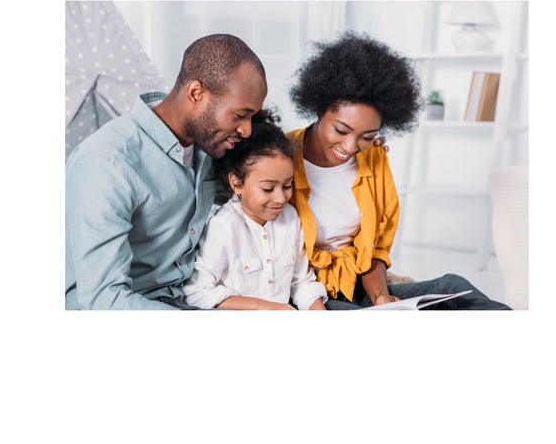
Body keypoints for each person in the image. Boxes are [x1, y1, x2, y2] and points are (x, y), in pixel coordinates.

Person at [286, 31, 511, 310]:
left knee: (455, 286)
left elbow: (374, 246)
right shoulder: (278, 156)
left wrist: (381, 296)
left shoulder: (374, 157)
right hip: (306, 293)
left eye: (366, 136)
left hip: (356, 283)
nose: (350, 145)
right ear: (319, 108)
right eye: (340, 130)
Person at [65, 34, 268, 310]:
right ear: (196, 93)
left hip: (184, 300)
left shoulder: (209, 145)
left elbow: (259, 190)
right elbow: (104, 300)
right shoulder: (106, 162)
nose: (246, 130)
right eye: (240, 115)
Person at [183, 110, 328, 310]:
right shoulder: (224, 226)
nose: (281, 198)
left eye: (287, 186)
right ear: (237, 183)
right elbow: (197, 293)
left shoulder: (291, 218)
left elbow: (301, 282)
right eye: (268, 188)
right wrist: (262, 307)